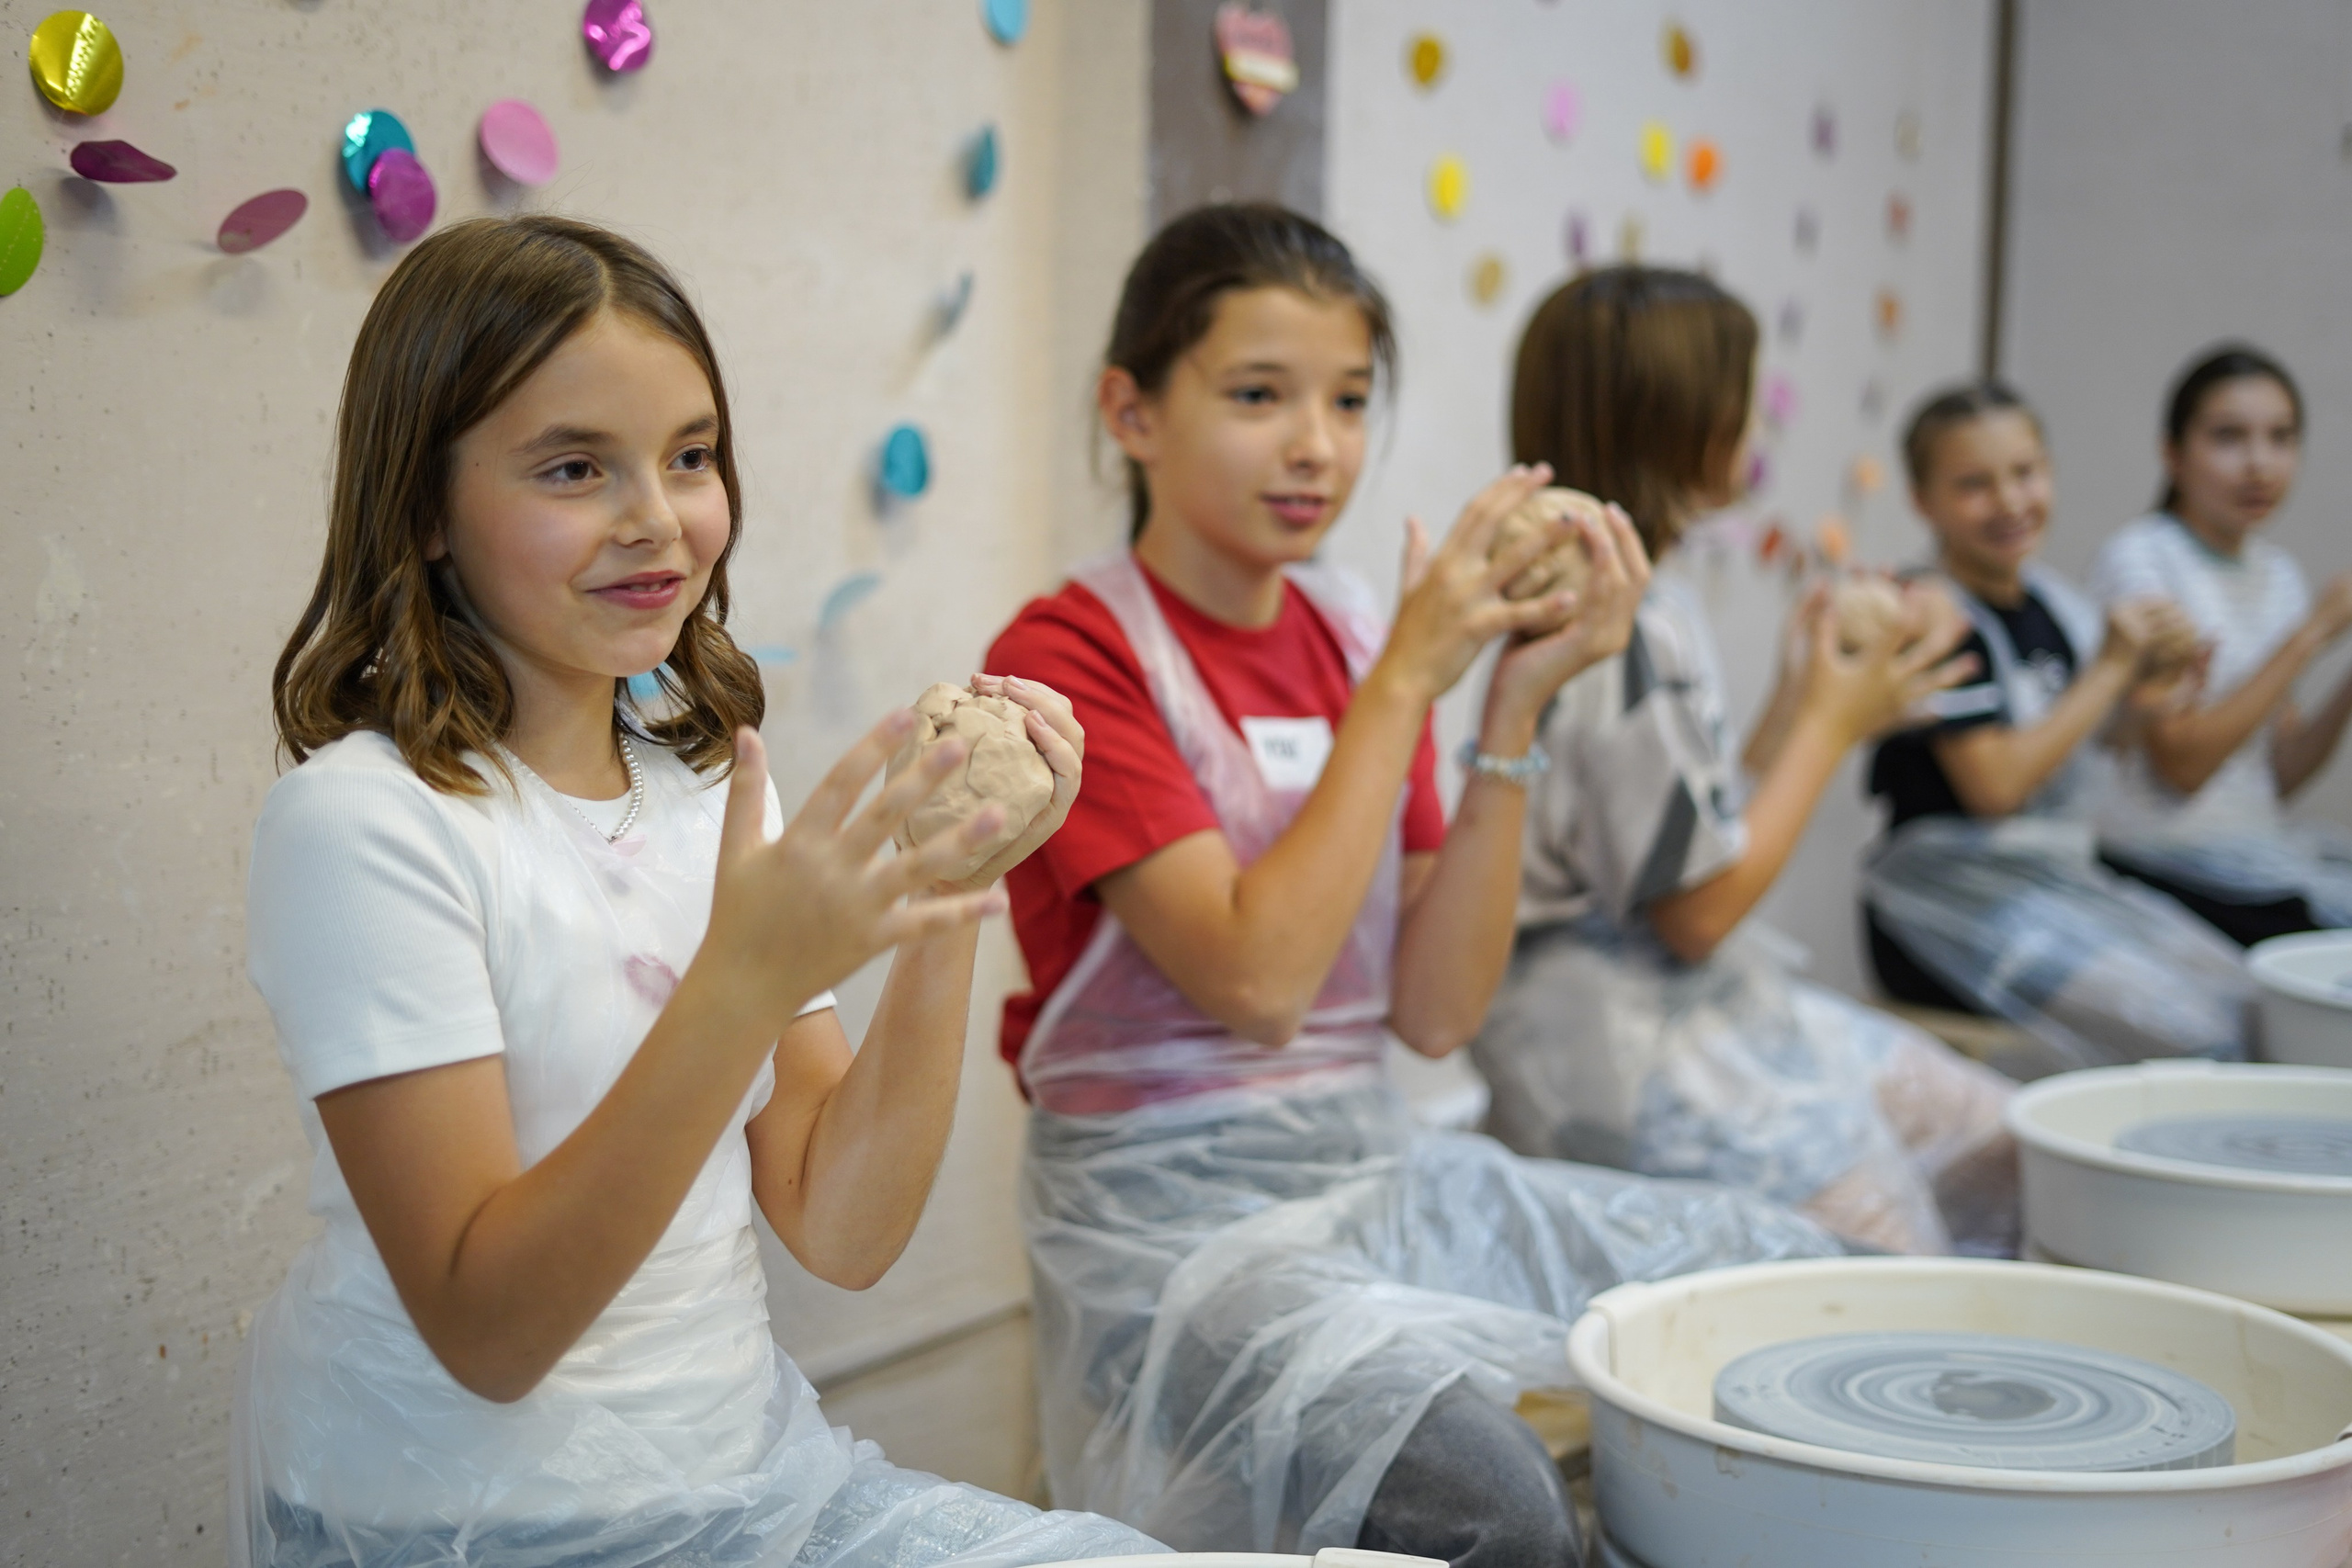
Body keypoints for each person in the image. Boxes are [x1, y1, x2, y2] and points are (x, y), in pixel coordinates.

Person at [232, 216, 1161, 1568]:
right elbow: (490, 1330)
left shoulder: (707, 785)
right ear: (425, 508)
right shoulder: (362, 824)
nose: (657, 519)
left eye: (691, 456)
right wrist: (742, 975)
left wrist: (950, 892)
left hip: (749, 1487)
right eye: (573, 467)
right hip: (467, 1527)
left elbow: (841, 1225)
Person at [989, 206, 1839, 1563]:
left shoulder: (1348, 631)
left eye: (1348, 397)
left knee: (1797, 1286)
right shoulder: (1070, 654)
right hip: (1169, 1232)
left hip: (1366, 1165)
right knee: (1499, 1508)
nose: (1316, 444)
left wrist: (1511, 701)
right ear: (1132, 411)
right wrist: (1403, 684)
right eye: (1258, 394)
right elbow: (1260, 982)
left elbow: (1437, 1011)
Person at [1470, 265, 2019, 1258]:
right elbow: (1695, 911)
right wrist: (1828, 725)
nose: (1754, 430)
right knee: (1892, 1250)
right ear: (1676, 422)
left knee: (1996, 1136)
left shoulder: (1647, 592)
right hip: (1608, 1036)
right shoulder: (1605, 618)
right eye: (1738, 404)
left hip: (1689, 1006)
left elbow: (1691, 808)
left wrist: (1804, 694)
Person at [1860, 382, 2252, 1066]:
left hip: (2044, 883)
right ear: (1923, 502)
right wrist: (2110, 669)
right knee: (2194, 1030)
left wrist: (2153, 693)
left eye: (2026, 473)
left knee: (2247, 998)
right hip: (1944, 906)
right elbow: (1997, 788)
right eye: (1975, 484)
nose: (2011, 501)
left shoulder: (2054, 604)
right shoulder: (1928, 616)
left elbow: (2086, 749)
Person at [2091, 344, 2352, 943]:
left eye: (2281, 438)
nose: (2259, 464)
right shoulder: (2142, 559)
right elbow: (2182, 764)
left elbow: (2278, 771)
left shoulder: (2277, 572)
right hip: (2162, 867)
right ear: (2172, 453)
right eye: (2230, 437)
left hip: (2253, 861)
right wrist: (2311, 634)